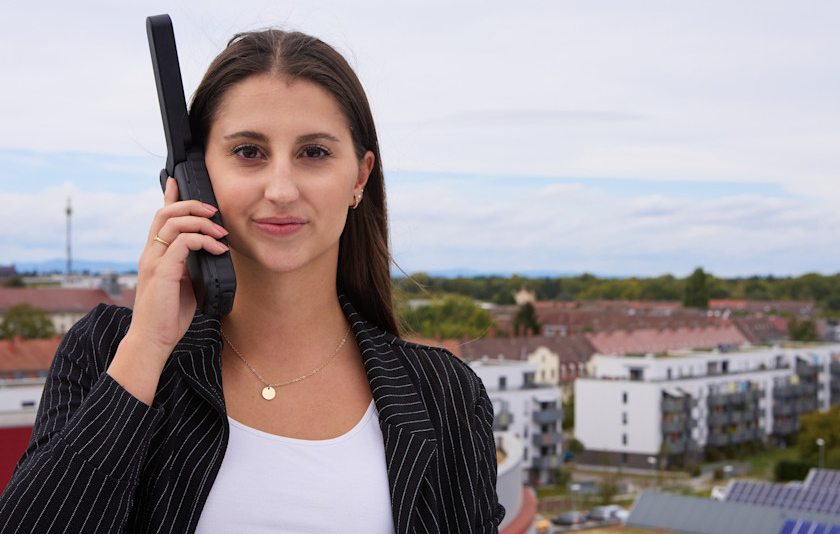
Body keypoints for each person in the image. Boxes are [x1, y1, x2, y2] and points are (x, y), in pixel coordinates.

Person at [0, 29, 504, 533]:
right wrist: (146, 351)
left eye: (314, 153)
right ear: (194, 173)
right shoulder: (108, 353)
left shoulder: (446, 398)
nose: (281, 189)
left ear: (359, 177)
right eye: (248, 151)